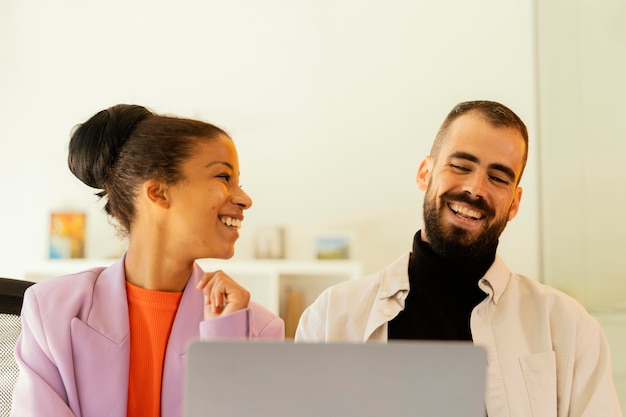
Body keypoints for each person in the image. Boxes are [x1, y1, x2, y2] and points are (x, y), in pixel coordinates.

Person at [295, 100, 622, 416]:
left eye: (498, 178)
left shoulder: (568, 327)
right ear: (425, 173)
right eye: (461, 166)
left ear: (514, 203)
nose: (475, 189)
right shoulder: (332, 317)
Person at [11, 104, 285, 417]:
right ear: (158, 193)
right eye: (224, 176)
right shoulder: (52, 310)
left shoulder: (256, 327)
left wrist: (224, 346)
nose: (244, 199)